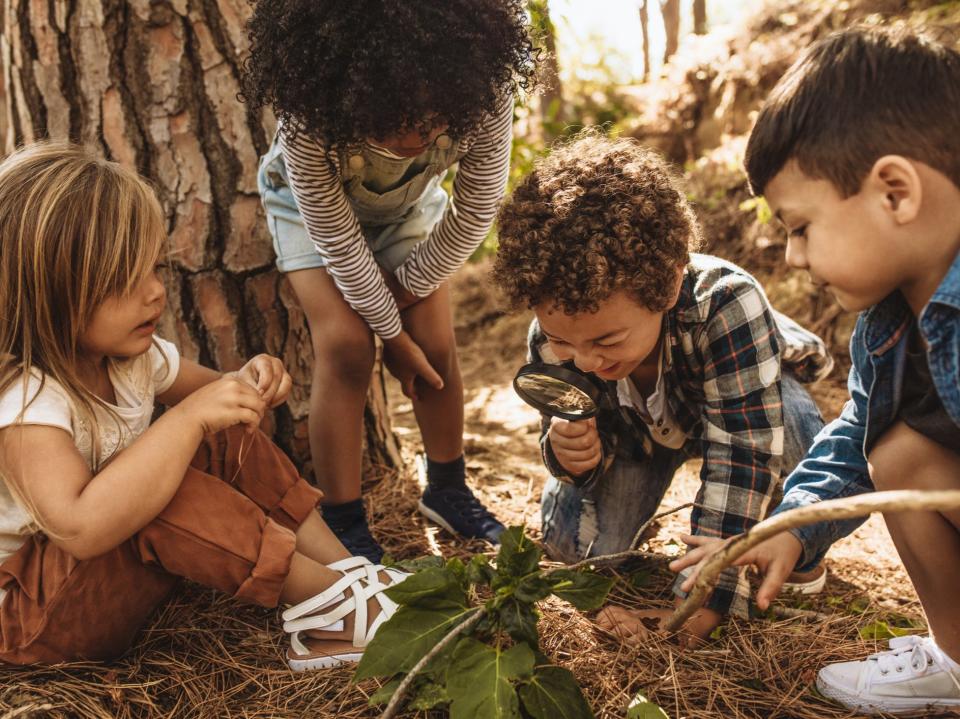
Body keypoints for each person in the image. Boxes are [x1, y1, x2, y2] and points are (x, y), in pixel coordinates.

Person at [0, 142, 407, 670]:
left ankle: (349, 576)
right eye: (127, 281)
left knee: (218, 434)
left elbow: (221, 398)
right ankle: (336, 609)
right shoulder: (28, 404)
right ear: (50, 293)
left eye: (155, 270)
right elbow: (82, 527)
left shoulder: (129, 359)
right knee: (162, 488)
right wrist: (189, 419)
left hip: (94, 585)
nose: (155, 294)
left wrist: (250, 381)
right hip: (32, 622)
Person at [670, 26, 960, 715]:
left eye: (801, 228)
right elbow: (857, 433)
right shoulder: (888, 325)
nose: (794, 257)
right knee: (898, 452)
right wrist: (792, 527)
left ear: (895, 192)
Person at [491, 133, 833, 645]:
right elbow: (560, 433)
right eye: (565, 341)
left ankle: (797, 547)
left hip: (740, 406)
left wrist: (708, 593)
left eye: (607, 339)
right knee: (575, 548)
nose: (586, 360)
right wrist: (572, 457)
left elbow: (742, 451)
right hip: (635, 439)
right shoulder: (554, 337)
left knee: (797, 427)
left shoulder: (727, 303)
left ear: (669, 285)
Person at [240, 0, 538, 561]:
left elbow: (474, 211)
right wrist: (389, 336)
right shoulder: (311, 120)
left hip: (407, 211)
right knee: (348, 346)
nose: (413, 137)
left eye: (431, 121)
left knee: (436, 343)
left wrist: (404, 297)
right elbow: (339, 243)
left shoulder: (485, 92)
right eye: (392, 120)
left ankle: (448, 490)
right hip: (309, 215)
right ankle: (344, 519)